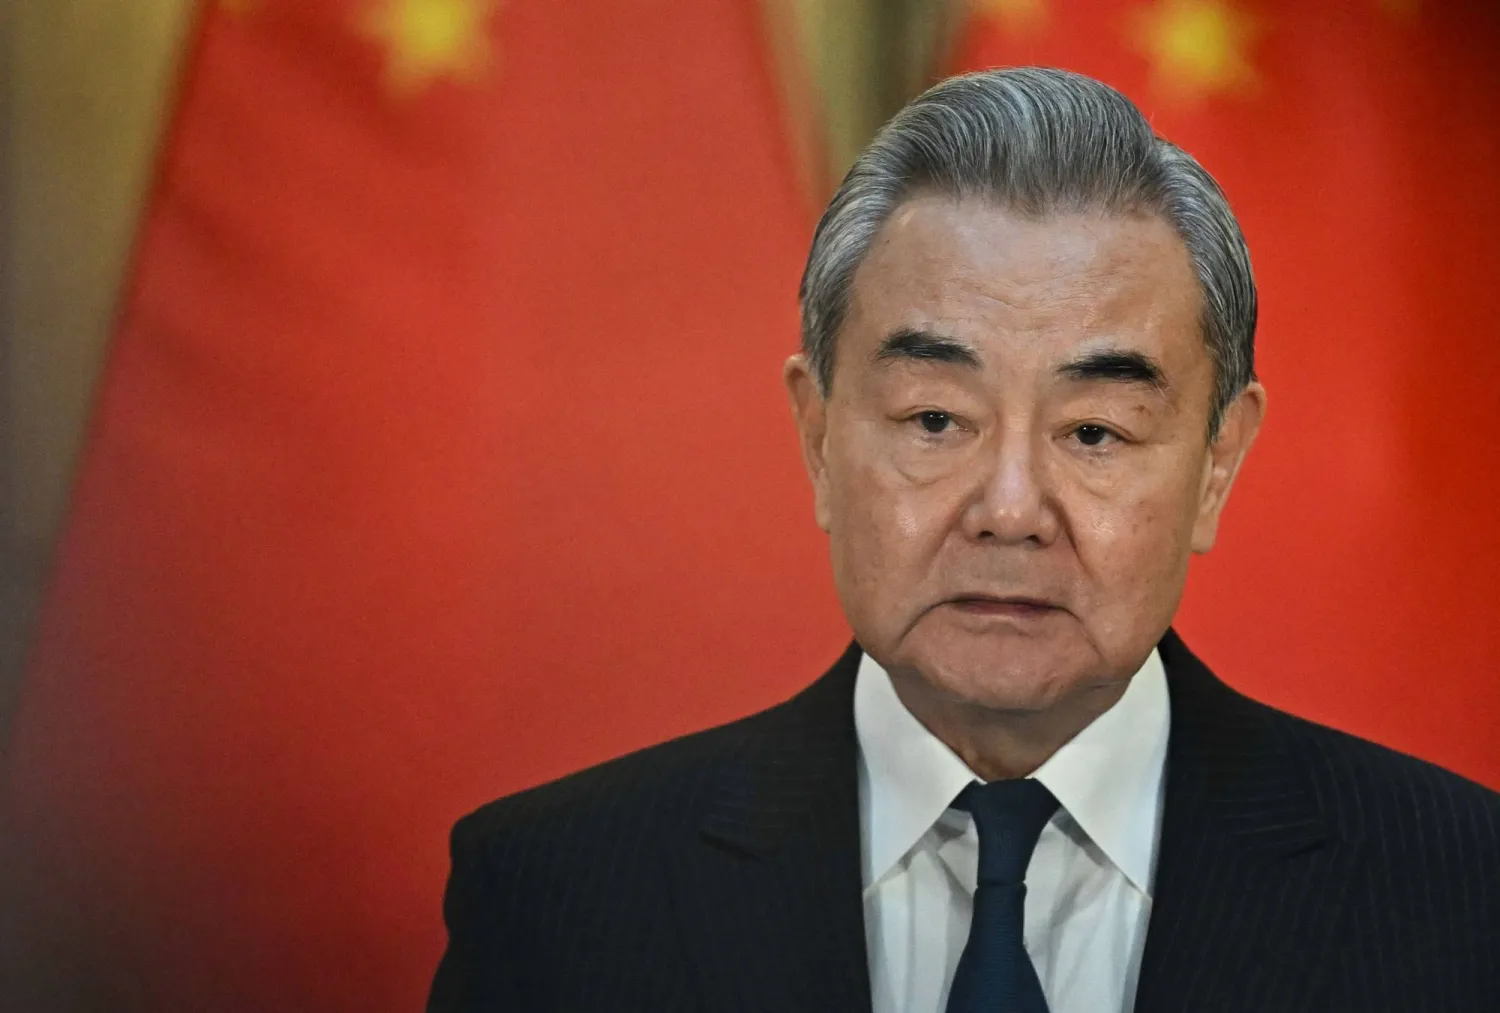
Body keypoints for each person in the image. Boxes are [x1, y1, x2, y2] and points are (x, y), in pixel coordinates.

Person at [426, 68, 1500, 1013]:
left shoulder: (1461, 892)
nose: (1011, 506)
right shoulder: (557, 896)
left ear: (1218, 460)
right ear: (817, 437)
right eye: (936, 419)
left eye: (1094, 431)